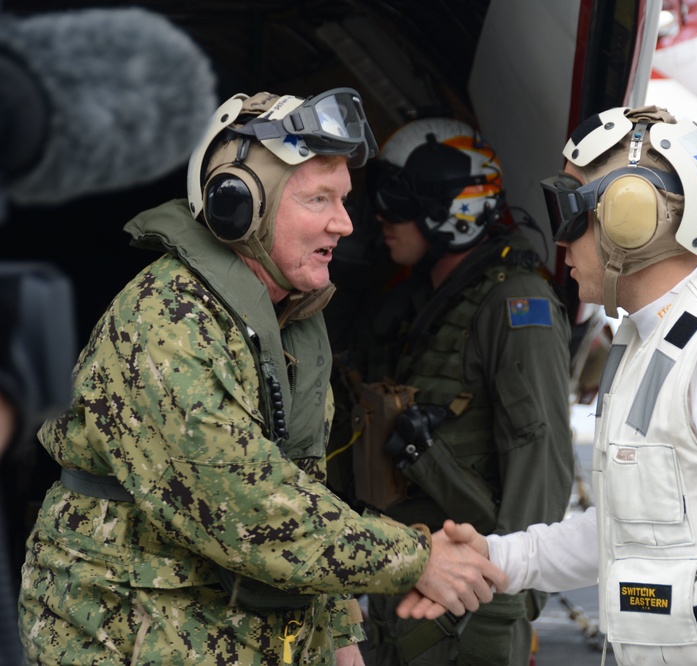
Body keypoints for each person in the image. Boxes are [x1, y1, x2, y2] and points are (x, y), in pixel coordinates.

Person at [17, 90, 506, 665]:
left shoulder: (290, 320)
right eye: (319, 199)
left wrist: (341, 640)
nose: (345, 224)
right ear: (239, 207)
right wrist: (420, 558)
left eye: (344, 199)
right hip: (129, 634)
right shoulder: (169, 320)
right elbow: (247, 507)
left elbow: (302, 487)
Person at [399, 106, 697, 665]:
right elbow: (629, 527)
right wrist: (498, 556)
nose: (560, 243)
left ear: (632, 218)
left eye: (574, 212)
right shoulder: (650, 340)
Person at [327, 117, 574, 665]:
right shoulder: (412, 304)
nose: (382, 218)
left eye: (399, 202)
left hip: (468, 605)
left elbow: (541, 463)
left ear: (448, 211)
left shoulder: (517, 307)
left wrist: (504, 609)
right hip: (406, 585)